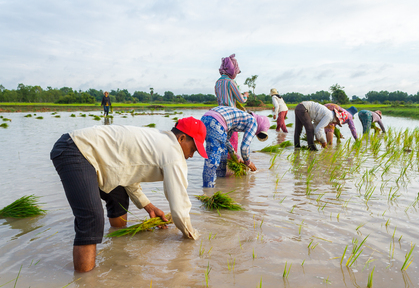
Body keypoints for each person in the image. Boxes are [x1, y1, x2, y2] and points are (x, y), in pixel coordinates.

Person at [50, 117, 207, 272]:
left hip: (91, 154)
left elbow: (126, 173)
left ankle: (117, 244)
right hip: (75, 150)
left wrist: (149, 207)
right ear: (181, 138)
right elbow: (179, 203)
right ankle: (85, 284)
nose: (192, 155)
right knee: (91, 218)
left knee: (118, 196)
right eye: (193, 149)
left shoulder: (157, 141)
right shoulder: (173, 152)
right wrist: (190, 234)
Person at [201, 106, 270, 188]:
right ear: (261, 126)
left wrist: (236, 156)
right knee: (213, 157)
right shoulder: (253, 122)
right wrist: (248, 162)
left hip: (205, 119)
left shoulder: (241, 117)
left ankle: (219, 184)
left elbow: (226, 140)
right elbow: (244, 147)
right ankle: (207, 190)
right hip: (216, 122)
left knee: (222, 156)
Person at [215, 54, 249, 153]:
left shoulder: (218, 82)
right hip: (231, 116)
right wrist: (245, 95)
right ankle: (232, 161)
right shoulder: (230, 82)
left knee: (223, 141)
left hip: (220, 115)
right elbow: (241, 100)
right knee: (232, 141)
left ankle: (224, 163)